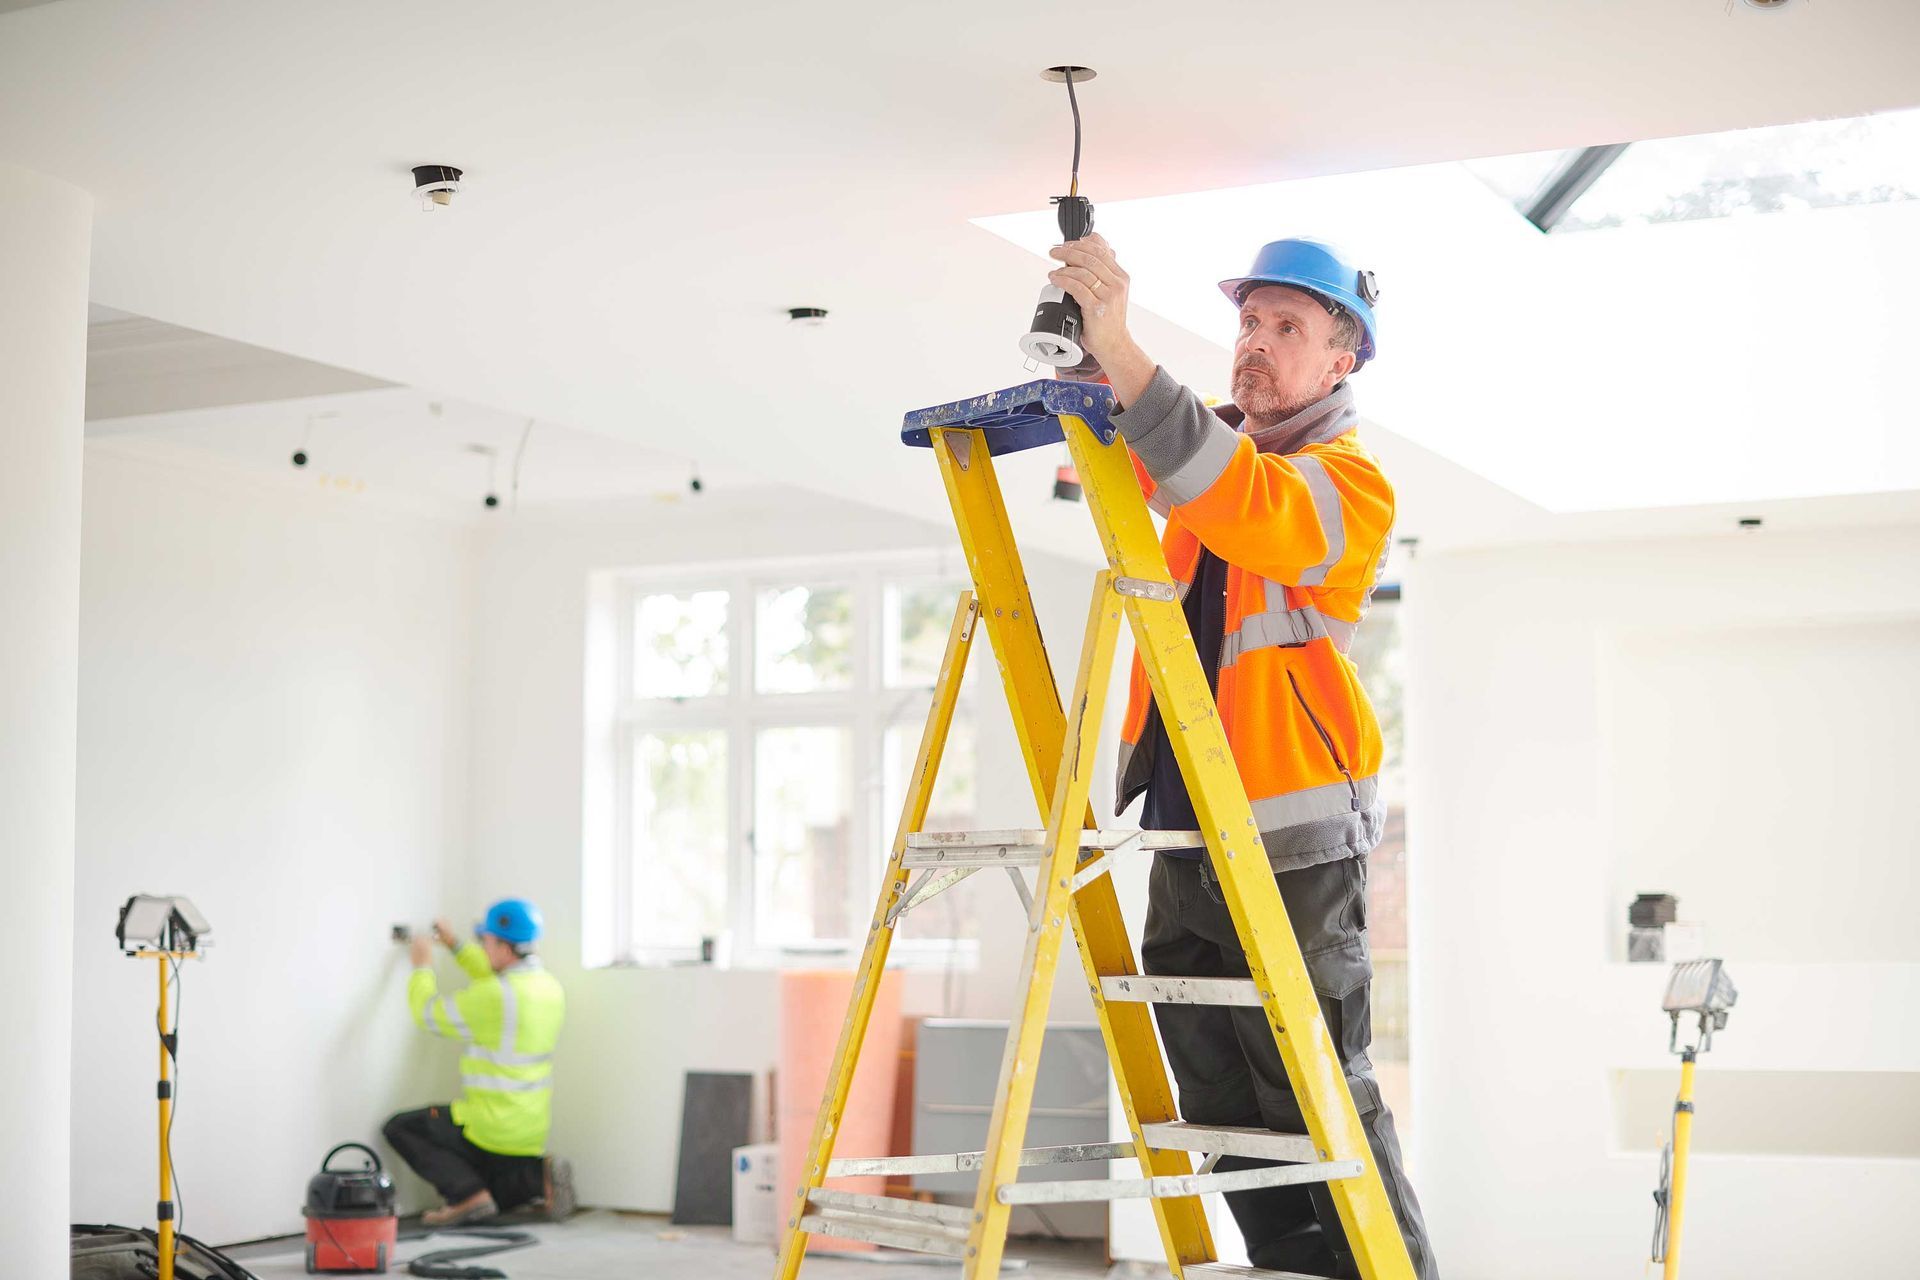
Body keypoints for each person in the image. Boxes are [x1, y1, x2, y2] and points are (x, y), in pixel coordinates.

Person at [1047, 235, 1435, 1278]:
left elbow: (1243, 502)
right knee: (1217, 1085)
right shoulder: (1210, 457)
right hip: (1184, 820)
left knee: (1309, 1079)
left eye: (1287, 329)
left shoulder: (1348, 486)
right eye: (1249, 323)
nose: (1255, 347)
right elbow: (1128, 472)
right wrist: (1088, 359)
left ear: (1340, 360)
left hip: (1289, 834)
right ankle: (1292, 1264)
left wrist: (1128, 356)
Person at [383, 898, 574, 1225]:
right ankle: (536, 1176)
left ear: (504, 946)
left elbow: (427, 1014)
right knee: (497, 1187)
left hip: (488, 1125)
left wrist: (422, 965)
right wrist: (455, 945)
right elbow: (491, 973)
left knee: (403, 1127)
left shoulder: (495, 997)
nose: (482, 948)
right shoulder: (547, 987)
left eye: (484, 941)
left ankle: (467, 1197)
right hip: (529, 1130)